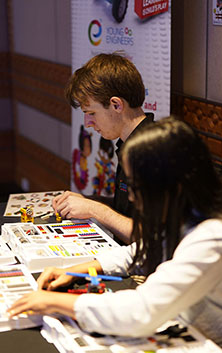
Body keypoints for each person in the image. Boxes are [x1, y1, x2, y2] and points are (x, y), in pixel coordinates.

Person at [9, 118, 222, 353]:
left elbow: (143, 311)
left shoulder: (214, 236)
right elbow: (144, 248)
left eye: (137, 186)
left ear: (168, 185)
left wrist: (52, 302)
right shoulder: (184, 212)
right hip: (202, 336)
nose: (132, 195)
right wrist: (81, 269)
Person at [53, 53, 153, 243]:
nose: (87, 123)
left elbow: (149, 237)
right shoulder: (130, 143)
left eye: (91, 113)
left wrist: (94, 209)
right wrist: (86, 202)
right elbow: (125, 211)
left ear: (116, 105)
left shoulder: (152, 152)